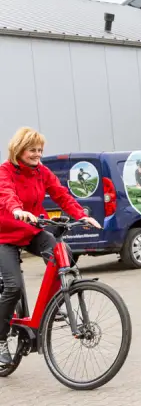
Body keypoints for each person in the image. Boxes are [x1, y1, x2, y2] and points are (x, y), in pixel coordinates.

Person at [0, 127, 102, 366]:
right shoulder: (4, 172)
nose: (38, 154)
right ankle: (0, 339)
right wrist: (17, 210)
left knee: (61, 255)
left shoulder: (41, 172)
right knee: (13, 287)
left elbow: (61, 195)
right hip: (4, 236)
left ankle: (52, 305)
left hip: (31, 231)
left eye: (40, 150)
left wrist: (81, 215)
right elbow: (6, 194)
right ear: (19, 150)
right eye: (32, 150)